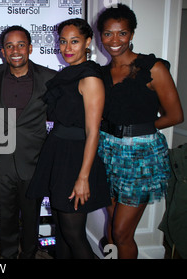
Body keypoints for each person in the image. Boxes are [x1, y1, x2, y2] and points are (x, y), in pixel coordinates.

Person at [96, 4, 183, 259]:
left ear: (132, 34)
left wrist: (135, 130)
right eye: (108, 34)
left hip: (142, 157)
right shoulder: (101, 73)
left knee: (122, 232)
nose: (114, 40)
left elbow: (176, 116)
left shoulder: (152, 68)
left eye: (121, 33)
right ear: (101, 35)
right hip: (107, 153)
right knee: (112, 228)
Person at [27, 18, 111, 259]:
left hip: (76, 158)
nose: (67, 48)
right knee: (61, 229)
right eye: (63, 42)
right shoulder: (70, 74)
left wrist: (83, 178)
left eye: (74, 41)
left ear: (87, 42)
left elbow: (93, 131)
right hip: (58, 152)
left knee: (74, 234)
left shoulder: (90, 78)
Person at [0, 26, 57, 259]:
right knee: (6, 212)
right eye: (9, 46)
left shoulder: (50, 78)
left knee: (31, 213)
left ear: (30, 48)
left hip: (33, 157)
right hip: (1, 154)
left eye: (21, 45)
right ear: (3, 51)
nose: (15, 50)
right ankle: (8, 253)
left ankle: (30, 252)